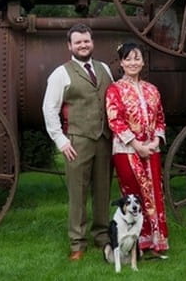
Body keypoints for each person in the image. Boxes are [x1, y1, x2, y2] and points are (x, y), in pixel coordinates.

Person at [42, 23, 114, 261]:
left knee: (103, 190)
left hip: (104, 139)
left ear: (92, 42)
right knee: (78, 193)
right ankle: (77, 243)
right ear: (69, 46)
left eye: (86, 41)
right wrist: (61, 141)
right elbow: (49, 109)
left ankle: (102, 236)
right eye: (78, 42)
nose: (83, 45)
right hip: (77, 141)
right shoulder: (61, 73)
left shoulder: (104, 69)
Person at [105, 41, 169, 258]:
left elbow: (160, 118)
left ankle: (156, 241)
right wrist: (136, 145)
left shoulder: (153, 90)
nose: (133, 63)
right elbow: (116, 120)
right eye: (128, 58)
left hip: (151, 149)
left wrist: (156, 142)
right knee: (134, 194)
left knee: (154, 192)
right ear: (121, 62)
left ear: (143, 62)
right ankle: (135, 244)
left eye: (137, 58)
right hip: (126, 150)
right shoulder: (115, 90)